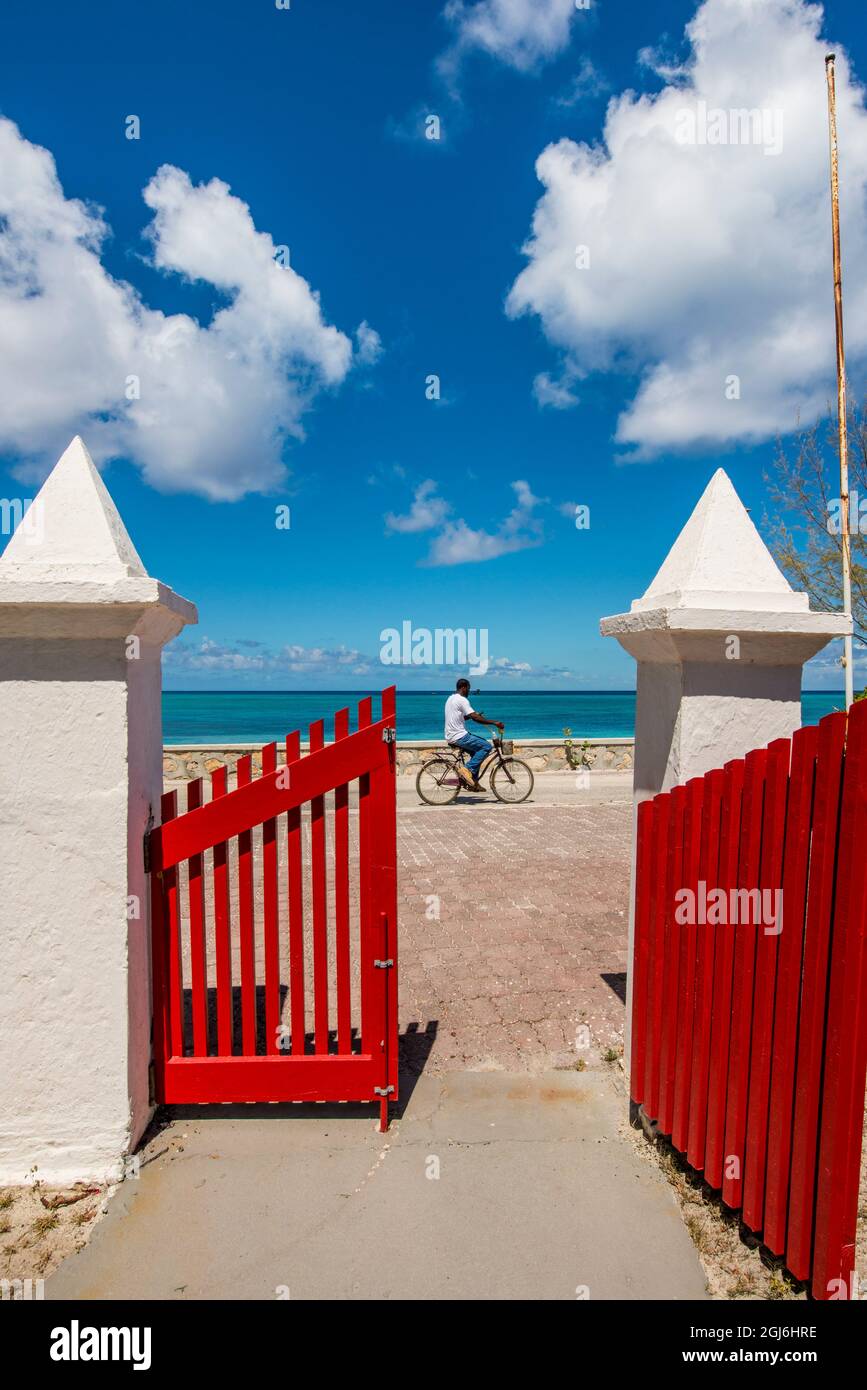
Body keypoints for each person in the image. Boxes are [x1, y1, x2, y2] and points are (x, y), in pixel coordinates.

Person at [443, 678, 504, 792]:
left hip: (451, 735)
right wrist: (494, 722)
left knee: (476, 754)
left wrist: (472, 716)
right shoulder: (462, 700)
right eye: (468, 689)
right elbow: (476, 718)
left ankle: (473, 783)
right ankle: (466, 770)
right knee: (486, 746)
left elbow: (461, 717)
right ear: (464, 687)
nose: (469, 692)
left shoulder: (450, 698)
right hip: (459, 736)